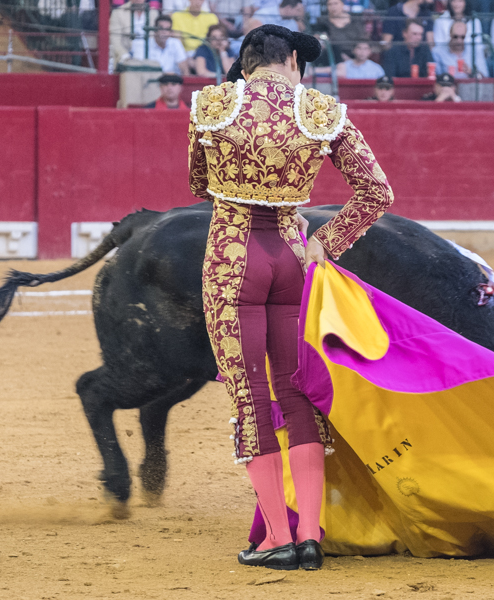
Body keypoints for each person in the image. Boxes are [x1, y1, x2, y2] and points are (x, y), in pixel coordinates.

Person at [188, 23, 393, 571]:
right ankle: (309, 537)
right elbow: (377, 192)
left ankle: (276, 538)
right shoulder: (323, 110)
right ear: (294, 62)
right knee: (296, 393)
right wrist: (326, 241)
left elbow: (199, 183)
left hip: (232, 256)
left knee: (251, 396)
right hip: (293, 259)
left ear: (245, 64)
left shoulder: (212, 104)